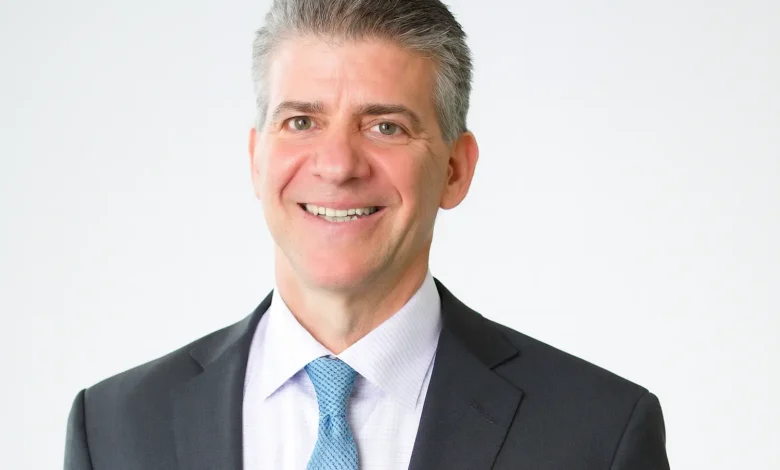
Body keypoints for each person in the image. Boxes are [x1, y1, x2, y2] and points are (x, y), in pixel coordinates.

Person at [64, 0, 670, 468]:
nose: (337, 165)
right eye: (301, 121)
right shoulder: (115, 429)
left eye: (385, 127)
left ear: (455, 170)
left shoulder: (598, 435)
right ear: (256, 160)